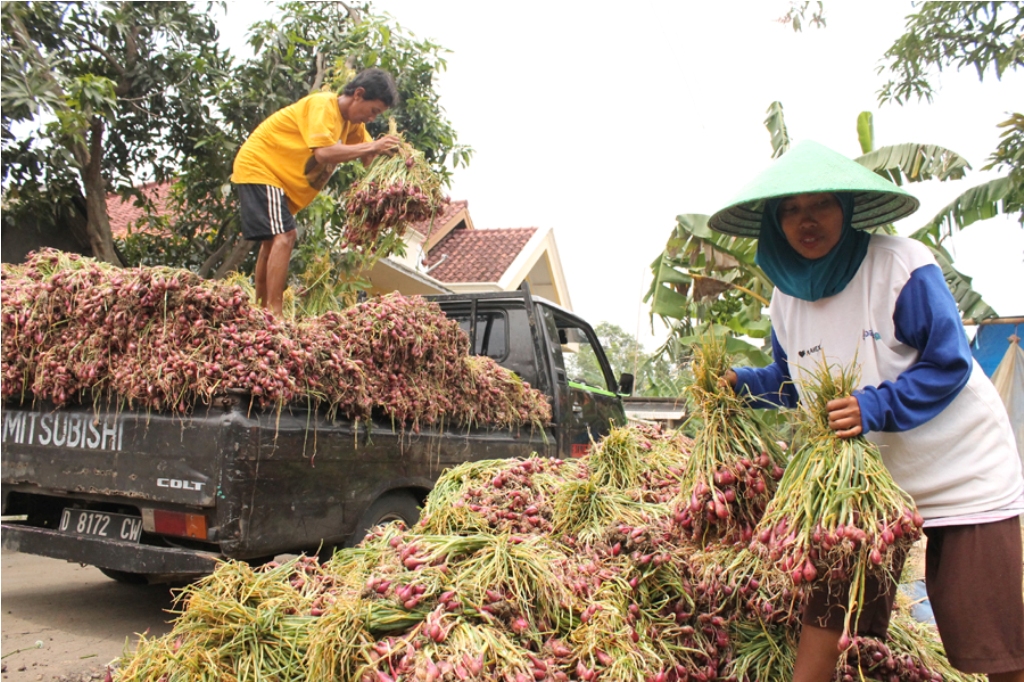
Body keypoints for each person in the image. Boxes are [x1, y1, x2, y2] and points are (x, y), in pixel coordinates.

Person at [709, 140, 1024, 681]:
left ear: (849, 208)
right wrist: (742, 385)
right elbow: (793, 385)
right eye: (791, 210)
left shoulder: (900, 264)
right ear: (774, 222)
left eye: (821, 206)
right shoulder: (786, 299)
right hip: (862, 484)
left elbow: (947, 363)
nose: (807, 222)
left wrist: (874, 405)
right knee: (827, 613)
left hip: (961, 469)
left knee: (990, 638)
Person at [231, 68, 402, 316]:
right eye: (373, 110)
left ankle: (261, 309)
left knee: (272, 242)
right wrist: (374, 145)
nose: (372, 118)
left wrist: (395, 177)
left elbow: (369, 156)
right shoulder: (324, 105)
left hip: (281, 183)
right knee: (286, 235)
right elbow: (323, 152)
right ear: (358, 94)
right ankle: (275, 313)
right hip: (262, 167)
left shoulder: (351, 124)